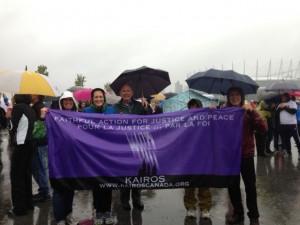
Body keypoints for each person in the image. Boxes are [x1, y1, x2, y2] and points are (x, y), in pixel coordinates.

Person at [225, 87, 267, 225]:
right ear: (228, 97)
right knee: (232, 187)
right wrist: (213, 111)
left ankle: (254, 216)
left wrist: (252, 111)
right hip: (230, 157)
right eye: (231, 95)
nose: (234, 97)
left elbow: (263, 127)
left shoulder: (248, 112)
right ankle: (238, 213)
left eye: (237, 94)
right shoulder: (224, 112)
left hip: (246, 155)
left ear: (241, 96)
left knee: (250, 187)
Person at [41, 91, 78, 225]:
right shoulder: (53, 116)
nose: (68, 102)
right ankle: (60, 219)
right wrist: (42, 118)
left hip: (74, 159)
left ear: (73, 102)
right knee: (58, 188)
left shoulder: (79, 116)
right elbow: (39, 134)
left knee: (70, 187)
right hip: (58, 158)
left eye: (70, 100)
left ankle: (66, 214)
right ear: (61, 102)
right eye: (65, 100)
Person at [113, 83, 150, 211]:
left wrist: (146, 109)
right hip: (122, 146)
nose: (126, 93)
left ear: (132, 92)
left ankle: (136, 199)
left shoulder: (140, 105)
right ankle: (124, 200)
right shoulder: (115, 107)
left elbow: (150, 121)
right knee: (124, 174)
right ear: (120, 93)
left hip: (138, 145)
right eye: (124, 91)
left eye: (128, 91)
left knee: (137, 173)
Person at [83, 88, 116, 225]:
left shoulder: (111, 110)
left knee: (107, 183)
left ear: (104, 98)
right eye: (96, 97)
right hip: (93, 153)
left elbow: (116, 129)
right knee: (96, 183)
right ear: (92, 99)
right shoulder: (86, 112)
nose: (98, 99)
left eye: (100, 97)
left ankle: (107, 211)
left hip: (108, 152)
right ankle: (98, 211)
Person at [8, 94, 36, 216]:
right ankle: (28, 203)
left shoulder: (18, 107)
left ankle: (19, 208)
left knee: (16, 176)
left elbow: (12, 127)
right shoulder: (30, 108)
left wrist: (9, 117)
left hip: (21, 143)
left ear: (18, 99)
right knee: (26, 174)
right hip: (30, 143)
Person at [184, 99, 212, 220]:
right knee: (189, 184)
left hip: (203, 157)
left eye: (196, 107)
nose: (193, 109)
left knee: (204, 184)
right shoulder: (183, 121)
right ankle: (190, 207)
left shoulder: (207, 120)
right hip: (189, 157)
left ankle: (205, 208)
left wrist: (213, 111)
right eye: (191, 107)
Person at [31, 95, 51, 203]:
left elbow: (42, 126)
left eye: (32, 93)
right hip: (40, 143)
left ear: (36, 95)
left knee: (39, 167)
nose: (30, 95)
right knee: (39, 167)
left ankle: (44, 192)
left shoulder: (40, 107)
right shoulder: (36, 106)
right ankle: (43, 190)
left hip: (39, 143)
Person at [277, 93, 300, 159]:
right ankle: (289, 152)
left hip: (292, 124)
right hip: (283, 125)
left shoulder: (292, 103)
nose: (282, 98)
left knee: (296, 139)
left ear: (287, 97)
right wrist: (280, 108)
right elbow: (276, 113)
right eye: (282, 97)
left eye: (283, 97)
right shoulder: (280, 104)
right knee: (286, 139)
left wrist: (284, 107)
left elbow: (293, 111)